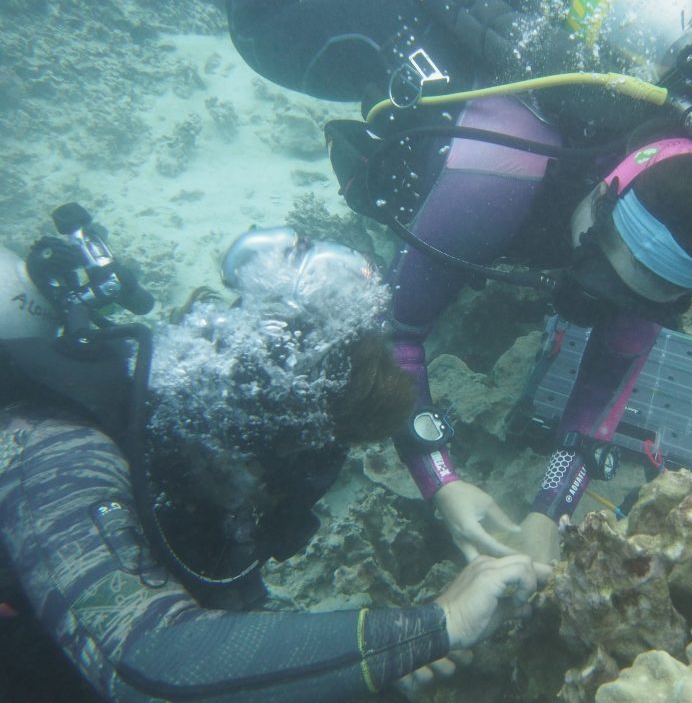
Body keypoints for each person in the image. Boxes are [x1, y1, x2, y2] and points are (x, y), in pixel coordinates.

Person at [224, 0, 692, 564]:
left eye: (635, 293)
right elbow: (400, 332)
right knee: (264, 37)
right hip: (431, 25)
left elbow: (612, 371)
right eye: (593, 267)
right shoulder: (494, 181)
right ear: (605, 191)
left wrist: (552, 508)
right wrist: (443, 481)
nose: (588, 296)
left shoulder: (683, 215)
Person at [0, 206, 548, 703]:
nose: (302, 489)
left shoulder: (219, 471)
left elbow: (231, 637)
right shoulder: (55, 447)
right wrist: (437, 624)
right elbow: (145, 661)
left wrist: (378, 662)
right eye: (310, 459)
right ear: (261, 433)